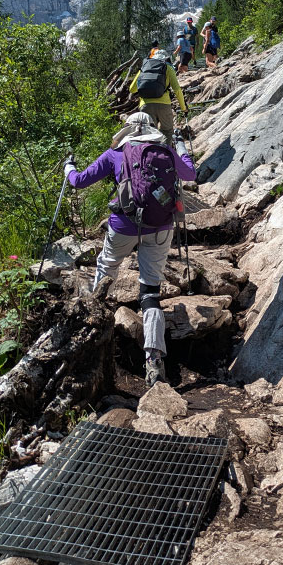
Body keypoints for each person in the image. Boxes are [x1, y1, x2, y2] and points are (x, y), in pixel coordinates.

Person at [63, 112, 196, 387]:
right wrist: (181, 147)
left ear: (126, 132)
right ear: (151, 129)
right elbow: (191, 174)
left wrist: (68, 167)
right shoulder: (166, 151)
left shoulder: (114, 154)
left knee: (107, 268)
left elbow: (78, 182)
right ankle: (154, 360)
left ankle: (92, 326)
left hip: (123, 225)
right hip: (160, 226)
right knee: (150, 291)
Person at [129, 46, 187, 142]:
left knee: (149, 134)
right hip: (164, 105)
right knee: (167, 131)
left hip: (145, 105)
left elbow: (132, 89)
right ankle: (165, 154)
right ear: (165, 58)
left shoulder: (144, 67)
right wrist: (183, 108)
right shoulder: (168, 68)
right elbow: (177, 89)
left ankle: (151, 155)